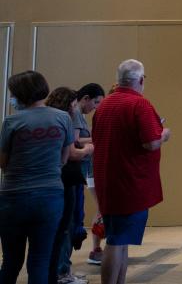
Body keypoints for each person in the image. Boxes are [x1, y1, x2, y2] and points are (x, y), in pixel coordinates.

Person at [92, 59, 171, 284]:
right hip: (130, 183)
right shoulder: (140, 104)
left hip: (108, 179)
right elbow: (150, 143)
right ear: (141, 80)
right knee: (116, 241)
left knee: (120, 239)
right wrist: (163, 133)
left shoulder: (105, 104)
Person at [0, 71, 73, 284]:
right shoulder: (62, 118)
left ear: (20, 94)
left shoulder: (11, 121)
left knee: (11, 260)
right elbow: (64, 158)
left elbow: (3, 162)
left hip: (13, 197)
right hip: (50, 195)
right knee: (40, 260)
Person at [45, 87, 94, 284]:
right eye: (74, 105)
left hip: (50, 179)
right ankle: (61, 272)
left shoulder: (42, 119)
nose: (75, 109)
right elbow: (71, 154)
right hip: (65, 178)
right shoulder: (63, 120)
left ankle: (53, 273)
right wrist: (89, 148)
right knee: (65, 227)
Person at [73, 83, 105, 267]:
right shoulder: (77, 113)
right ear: (85, 98)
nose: (96, 107)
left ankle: (97, 249)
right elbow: (75, 141)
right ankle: (95, 250)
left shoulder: (81, 115)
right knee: (101, 209)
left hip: (87, 168)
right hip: (86, 168)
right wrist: (98, 138)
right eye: (95, 102)